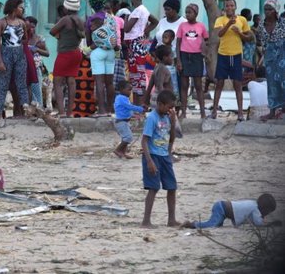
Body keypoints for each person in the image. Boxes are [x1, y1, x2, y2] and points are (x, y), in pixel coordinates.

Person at [140, 90, 179, 228]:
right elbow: (144, 141)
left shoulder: (168, 117)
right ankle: (146, 220)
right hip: (153, 156)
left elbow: (171, 138)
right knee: (153, 188)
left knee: (172, 187)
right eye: (169, 107)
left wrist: (173, 122)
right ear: (160, 104)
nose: (171, 110)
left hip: (164, 156)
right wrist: (149, 161)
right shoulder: (152, 118)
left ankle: (171, 220)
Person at [212, 0, 252, 122]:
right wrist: (229, 24)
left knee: (238, 84)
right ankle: (214, 111)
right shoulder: (220, 19)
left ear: (235, 7)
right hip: (223, 54)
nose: (229, 8)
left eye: (231, 5)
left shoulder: (242, 20)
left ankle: (240, 113)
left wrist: (240, 33)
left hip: (236, 55)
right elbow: (219, 34)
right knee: (219, 83)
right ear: (224, 8)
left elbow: (249, 37)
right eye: (227, 6)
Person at [0, 0, 30, 123]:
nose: (22, 9)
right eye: (20, 7)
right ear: (14, 8)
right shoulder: (2, 23)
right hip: (6, 52)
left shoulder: (22, 23)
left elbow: (25, 38)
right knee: (3, 83)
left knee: (21, 82)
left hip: (19, 53)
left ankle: (26, 108)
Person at [50, 0, 85, 116]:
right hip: (76, 53)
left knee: (58, 82)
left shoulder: (65, 20)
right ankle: (69, 112)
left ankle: (61, 112)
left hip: (65, 53)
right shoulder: (81, 20)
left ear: (66, 7)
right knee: (71, 81)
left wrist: (59, 36)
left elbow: (52, 31)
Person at [124, 0, 159, 105]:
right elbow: (155, 21)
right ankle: (139, 106)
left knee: (136, 75)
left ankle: (139, 106)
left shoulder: (137, 11)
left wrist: (125, 19)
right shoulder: (145, 10)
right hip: (140, 42)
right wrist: (145, 31)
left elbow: (127, 28)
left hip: (135, 44)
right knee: (139, 74)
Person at [176, 4, 209, 120]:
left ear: (196, 13)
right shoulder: (182, 26)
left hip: (197, 57)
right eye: (186, 12)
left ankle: (203, 112)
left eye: (190, 12)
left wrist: (205, 51)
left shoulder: (201, 26)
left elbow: (206, 40)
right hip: (185, 55)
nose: (187, 14)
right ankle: (184, 112)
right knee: (184, 85)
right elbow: (178, 43)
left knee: (199, 85)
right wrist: (179, 60)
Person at [87, 0, 118, 116]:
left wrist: (91, 46)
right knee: (110, 83)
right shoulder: (110, 17)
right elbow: (116, 34)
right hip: (110, 51)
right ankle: (110, 109)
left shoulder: (91, 19)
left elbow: (88, 38)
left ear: (93, 6)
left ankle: (102, 110)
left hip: (97, 51)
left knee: (99, 82)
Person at [256, 0, 285, 120]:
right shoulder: (261, 26)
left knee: (283, 83)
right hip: (270, 59)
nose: (267, 11)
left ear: (276, 10)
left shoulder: (283, 23)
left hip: (282, 57)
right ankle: (272, 112)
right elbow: (261, 43)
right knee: (272, 84)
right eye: (266, 9)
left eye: (270, 9)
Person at [181, 193, 280, 229]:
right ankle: (192, 224)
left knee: (217, 225)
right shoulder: (255, 209)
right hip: (222, 208)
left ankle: (194, 224)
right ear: (264, 209)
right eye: (268, 212)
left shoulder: (254, 204)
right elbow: (258, 223)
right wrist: (270, 224)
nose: (266, 215)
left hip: (222, 207)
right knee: (211, 225)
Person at [113, 80, 144, 159]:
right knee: (128, 137)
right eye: (129, 90)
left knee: (126, 137)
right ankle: (118, 150)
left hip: (124, 122)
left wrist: (135, 115)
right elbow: (130, 107)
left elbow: (127, 110)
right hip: (121, 122)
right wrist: (141, 109)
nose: (130, 92)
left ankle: (123, 152)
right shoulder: (121, 98)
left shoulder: (123, 98)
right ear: (121, 89)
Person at [24, 16, 49, 107]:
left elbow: (47, 53)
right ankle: (25, 110)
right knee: (25, 89)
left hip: (36, 66)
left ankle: (38, 109)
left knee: (36, 88)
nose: (31, 29)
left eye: (33, 27)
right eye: (29, 27)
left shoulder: (39, 38)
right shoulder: (22, 38)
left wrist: (37, 49)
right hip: (23, 66)